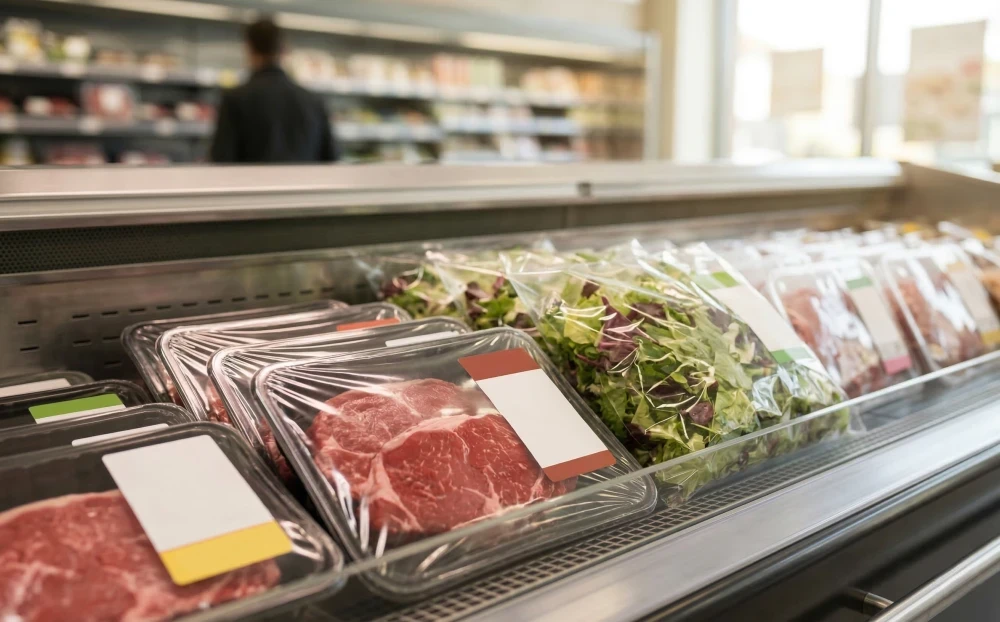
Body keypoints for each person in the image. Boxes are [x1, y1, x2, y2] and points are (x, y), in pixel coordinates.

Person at [210, 17, 338, 163]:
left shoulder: (235, 99)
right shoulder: (314, 101)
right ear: (284, 48)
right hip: (303, 184)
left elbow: (222, 160)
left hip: (254, 184)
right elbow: (331, 159)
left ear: (249, 48)